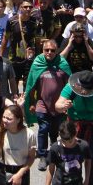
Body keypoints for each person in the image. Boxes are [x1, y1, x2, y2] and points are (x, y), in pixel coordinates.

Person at [55, 71, 93, 185]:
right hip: (74, 125)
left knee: (91, 156)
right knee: (73, 156)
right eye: (83, 89)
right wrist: (63, 106)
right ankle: (73, 184)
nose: (85, 92)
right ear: (78, 84)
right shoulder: (70, 87)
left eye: (88, 89)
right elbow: (57, 105)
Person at [23, 38, 71, 170]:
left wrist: (68, 103)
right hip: (42, 103)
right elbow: (31, 84)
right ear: (42, 50)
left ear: (57, 51)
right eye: (46, 50)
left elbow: (70, 85)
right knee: (43, 128)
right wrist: (31, 102)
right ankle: (43, 155)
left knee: (55, 131)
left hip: (59, 105)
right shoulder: (38, 63)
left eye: (52, 50)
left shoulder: (62, 63)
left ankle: (55, 152)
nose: (49, 52)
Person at [0, 104, 37, 185]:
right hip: (3, 173)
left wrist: (20, 174)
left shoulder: (29, 134)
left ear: (18, 120)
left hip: (22, 172)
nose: (5, 120)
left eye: (9, 119)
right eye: (4, 117)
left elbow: (31, 157)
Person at [44, 120, 91, 185]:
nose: (67, 144)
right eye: (64, 141)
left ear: (75, 134)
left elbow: (88, 161)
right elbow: (51, 169)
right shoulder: (55, 148)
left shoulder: (83, 146)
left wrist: (86, 183)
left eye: (70, 141)